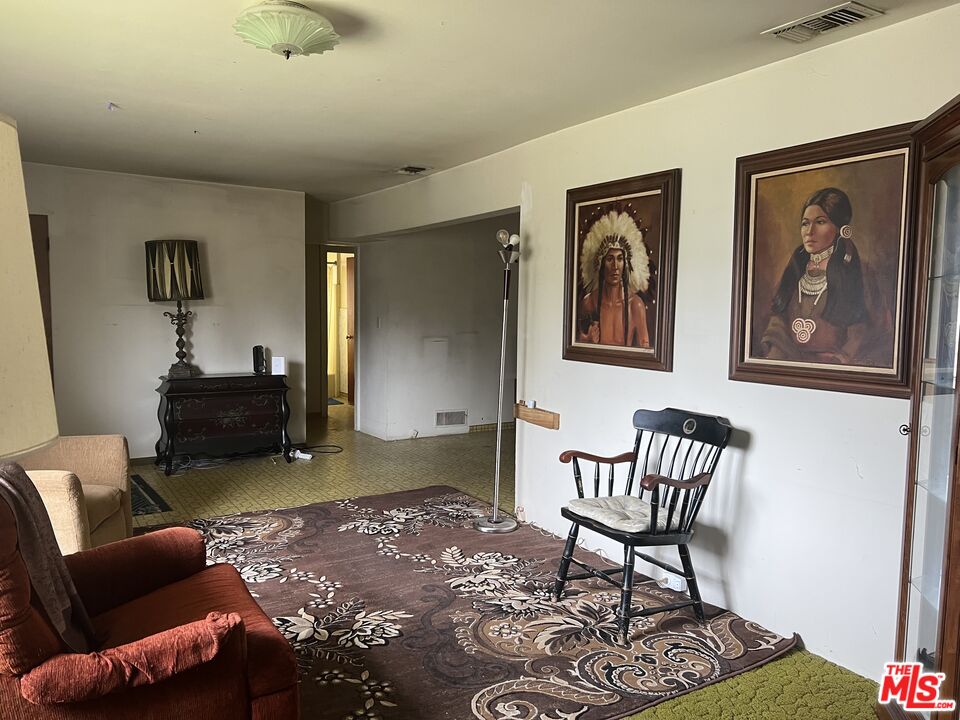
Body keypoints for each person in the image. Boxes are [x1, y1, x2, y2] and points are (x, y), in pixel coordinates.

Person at [758, 186, 890, 365]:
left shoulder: (860, 271)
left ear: (840, 229)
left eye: (820, 222)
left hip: (839, 370)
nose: (809, 231)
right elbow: (779, 323)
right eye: (805, 223)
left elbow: (868, 332)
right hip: (790, 366)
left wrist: (838, 362)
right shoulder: (795, 269)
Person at [577, 209, 650, 348]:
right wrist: (587, 339)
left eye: (620, 259)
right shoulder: (589, 303)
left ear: (626, 263)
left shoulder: (636, 305)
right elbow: (577, 345)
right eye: (610, 259)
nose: (615, 266)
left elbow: (645, 349)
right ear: (601, 263)